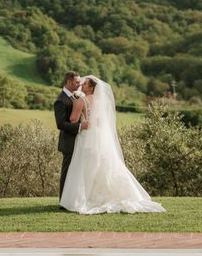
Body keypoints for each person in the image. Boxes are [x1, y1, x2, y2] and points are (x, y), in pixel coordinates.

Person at [59, 75, 166, 214]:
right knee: (99, 166)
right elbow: (100, 122)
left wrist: (75, 106)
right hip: (99, 137)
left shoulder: (81, 100)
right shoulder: (100, 102)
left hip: (86, 137)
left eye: (84, 84)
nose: (81, 86)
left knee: (84, 167)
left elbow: (73, 120)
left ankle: (84, 198)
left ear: (91, 87)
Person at [53, 72, 89, 202]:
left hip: (79, 140)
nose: (79, 84)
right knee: (67, 172)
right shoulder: (61, 100)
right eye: (77, 82)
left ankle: (74, 199)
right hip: (69, 142)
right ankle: (63, 201)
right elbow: (60, 124)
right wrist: (80, 127)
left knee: (76, 172)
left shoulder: (75, 97)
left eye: (80, 82)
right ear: (68, 82)